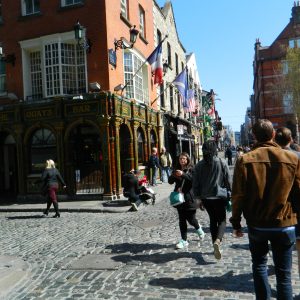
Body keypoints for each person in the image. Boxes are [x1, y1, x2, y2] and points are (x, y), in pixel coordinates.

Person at [230, 119, 300, 299]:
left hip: (258, 224)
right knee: (284, 275)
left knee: (260, 266)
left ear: (254, 136)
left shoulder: (245, 160)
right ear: (273, 134)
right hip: (284, 223)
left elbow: (238, 195)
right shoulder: (292, 158)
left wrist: (236, 223)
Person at [193, 140, 232, 260]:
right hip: (219, 196)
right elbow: (228, 180)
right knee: (222, 221)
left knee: (212, 220)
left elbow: (196, 184)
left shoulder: (199, 165)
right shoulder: (221, 162)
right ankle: (218, 242)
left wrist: (198, 199)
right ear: (215, 150)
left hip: (206, 198)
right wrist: (230, 194)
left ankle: (215, 245)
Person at [168, 152, 205, 249]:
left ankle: (198, 228)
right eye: (180, 159)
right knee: (182, 220)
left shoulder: (192, 169)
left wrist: (183, 174)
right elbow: (170, 181)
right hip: (179, 198)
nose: (182, 160)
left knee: (191, 219)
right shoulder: (177, 169)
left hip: (189, 198)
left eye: (184, 158)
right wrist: (173, 175)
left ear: (187, 159)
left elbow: (193, 180)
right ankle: (184, 240)